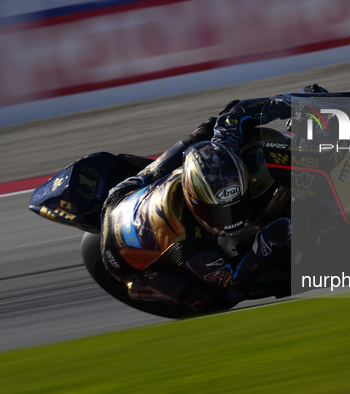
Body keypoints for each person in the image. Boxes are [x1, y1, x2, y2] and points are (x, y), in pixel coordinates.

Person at [100, 84, 328, 313]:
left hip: (125, 196)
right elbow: (230, 279)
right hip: (118, 250)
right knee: (215, 300)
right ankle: (145, 284)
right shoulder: (186, 243)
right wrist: (265, 242)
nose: (230, 217)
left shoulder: (222, 149)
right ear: (195, 203)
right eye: (218, 211)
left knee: (208, 128)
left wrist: (293, 104)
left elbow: (236, 113)